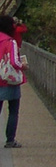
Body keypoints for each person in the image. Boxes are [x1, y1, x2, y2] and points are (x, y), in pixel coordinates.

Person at [0, 15, 26, 148]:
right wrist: (23, 66)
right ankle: (10, 140)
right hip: (8, 80)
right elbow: (14, 62)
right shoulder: (10, 42)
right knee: (13, 110)